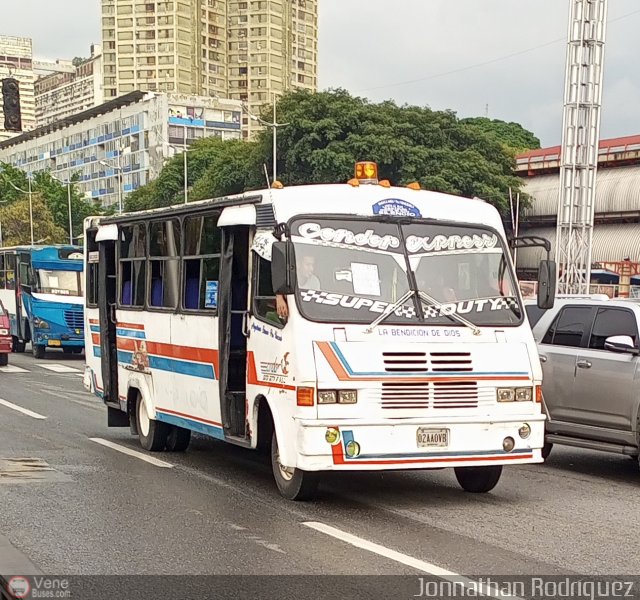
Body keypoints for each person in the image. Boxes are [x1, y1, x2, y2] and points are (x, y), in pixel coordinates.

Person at [276, 254, 320, 320]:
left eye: (312, 265)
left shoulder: (315, 281)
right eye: (308, 265)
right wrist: (279, 298)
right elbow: (278, 289)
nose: (311, 269)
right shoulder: (288, 279)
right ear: (298, 264)